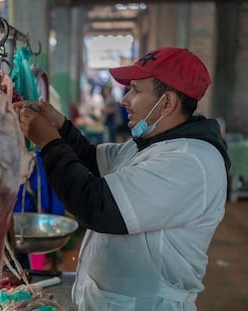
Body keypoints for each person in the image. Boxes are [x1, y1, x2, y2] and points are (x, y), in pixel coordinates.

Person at [14, 46, 231, 310]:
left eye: (136, 90)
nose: (125, 99)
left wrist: (49, 142)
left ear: (167, 103)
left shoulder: (188, 162)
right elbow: (92, 161)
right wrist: (61, 126)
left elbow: (98, 206)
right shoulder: (148, 143)